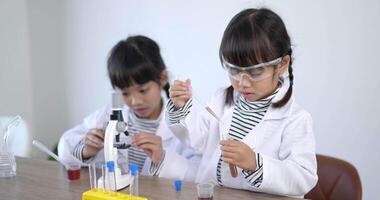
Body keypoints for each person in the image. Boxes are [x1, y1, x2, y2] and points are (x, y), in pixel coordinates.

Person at [166, 8, 317, 197]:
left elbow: (303, 177)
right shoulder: (221, 100)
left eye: (255, 73)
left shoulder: (295, 119)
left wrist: (255, 163)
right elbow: (197, 139)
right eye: (234, 70)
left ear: (282, 65)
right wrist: (180, 107)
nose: (243, 83)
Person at [58, 35, 199, 181]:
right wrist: (87, 150)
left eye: (143, 90)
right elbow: (64, 148)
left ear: (162, 78)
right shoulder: (108, 115)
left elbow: (200, 175)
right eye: (125, 93)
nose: (135, 101)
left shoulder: (183, 124)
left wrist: (163, 159)